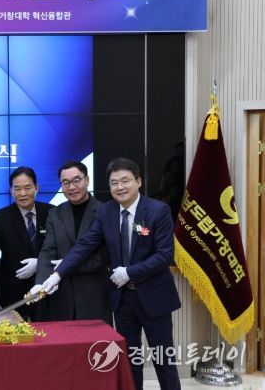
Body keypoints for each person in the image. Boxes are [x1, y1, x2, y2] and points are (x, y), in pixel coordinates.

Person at [33, 158, 181, 390]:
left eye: (125, 181)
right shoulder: (106, 212)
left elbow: (164, 255)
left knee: (163, 360)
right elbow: (85, 245)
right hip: (123, 300)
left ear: (138, 181)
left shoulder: (157, 210)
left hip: (154, 297)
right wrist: (57, 275)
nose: (120, 187)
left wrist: (130, 272)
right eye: (114, 183)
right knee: (130, 361)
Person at [35, 161, 112, 325]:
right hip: (61, 295)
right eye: (65, 182)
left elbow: (105, 255)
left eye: (76, 180)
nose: (71, 187)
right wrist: (40, 282)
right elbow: (48, 251)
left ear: (87, 180)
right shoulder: (55, 213)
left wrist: (66, 266)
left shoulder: (104, 211)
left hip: (94, 295)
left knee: (96, 341)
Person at [0, 166, 52, 321]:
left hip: (47, 288)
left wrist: (41, 262)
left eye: (27, 188)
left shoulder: (52, 213)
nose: (23, 193)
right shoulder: (0, 217)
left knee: (47, 332)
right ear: (11, 190)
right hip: (14, 292)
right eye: (17, 189)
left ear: (36, 188)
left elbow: (61, 247)